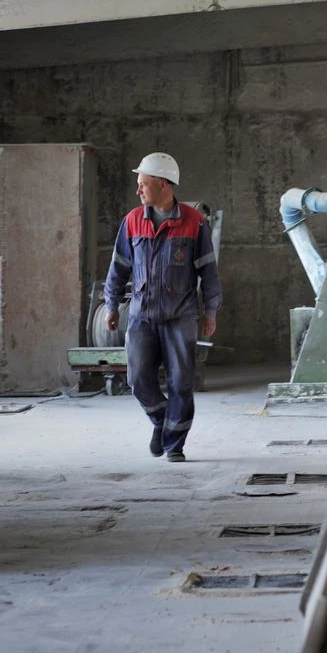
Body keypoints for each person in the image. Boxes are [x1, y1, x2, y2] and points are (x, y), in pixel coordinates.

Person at [104, 152, 221, 462]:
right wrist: (111, 305)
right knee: (138, 379)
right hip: (142, 314)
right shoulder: (132, 221)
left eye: (143, 184)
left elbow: (208, 270)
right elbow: (119, 266)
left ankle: (174, 444)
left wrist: (210, 311)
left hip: (180, 315)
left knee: (181, 382)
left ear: (164, 185)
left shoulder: (194, 222)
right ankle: (162, 421)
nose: (138, 190)